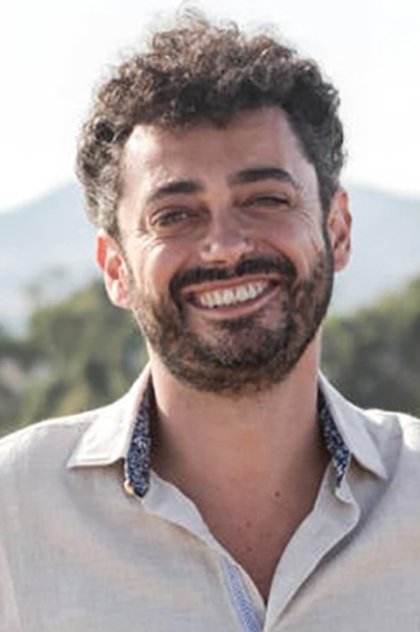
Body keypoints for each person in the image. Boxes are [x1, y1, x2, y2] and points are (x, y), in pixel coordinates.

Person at [1, 12, 420, 632]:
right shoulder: (13, 516)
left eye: (266, 199)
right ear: (115, 268)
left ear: (337, 230)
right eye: (174, 215)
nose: (224, 247)